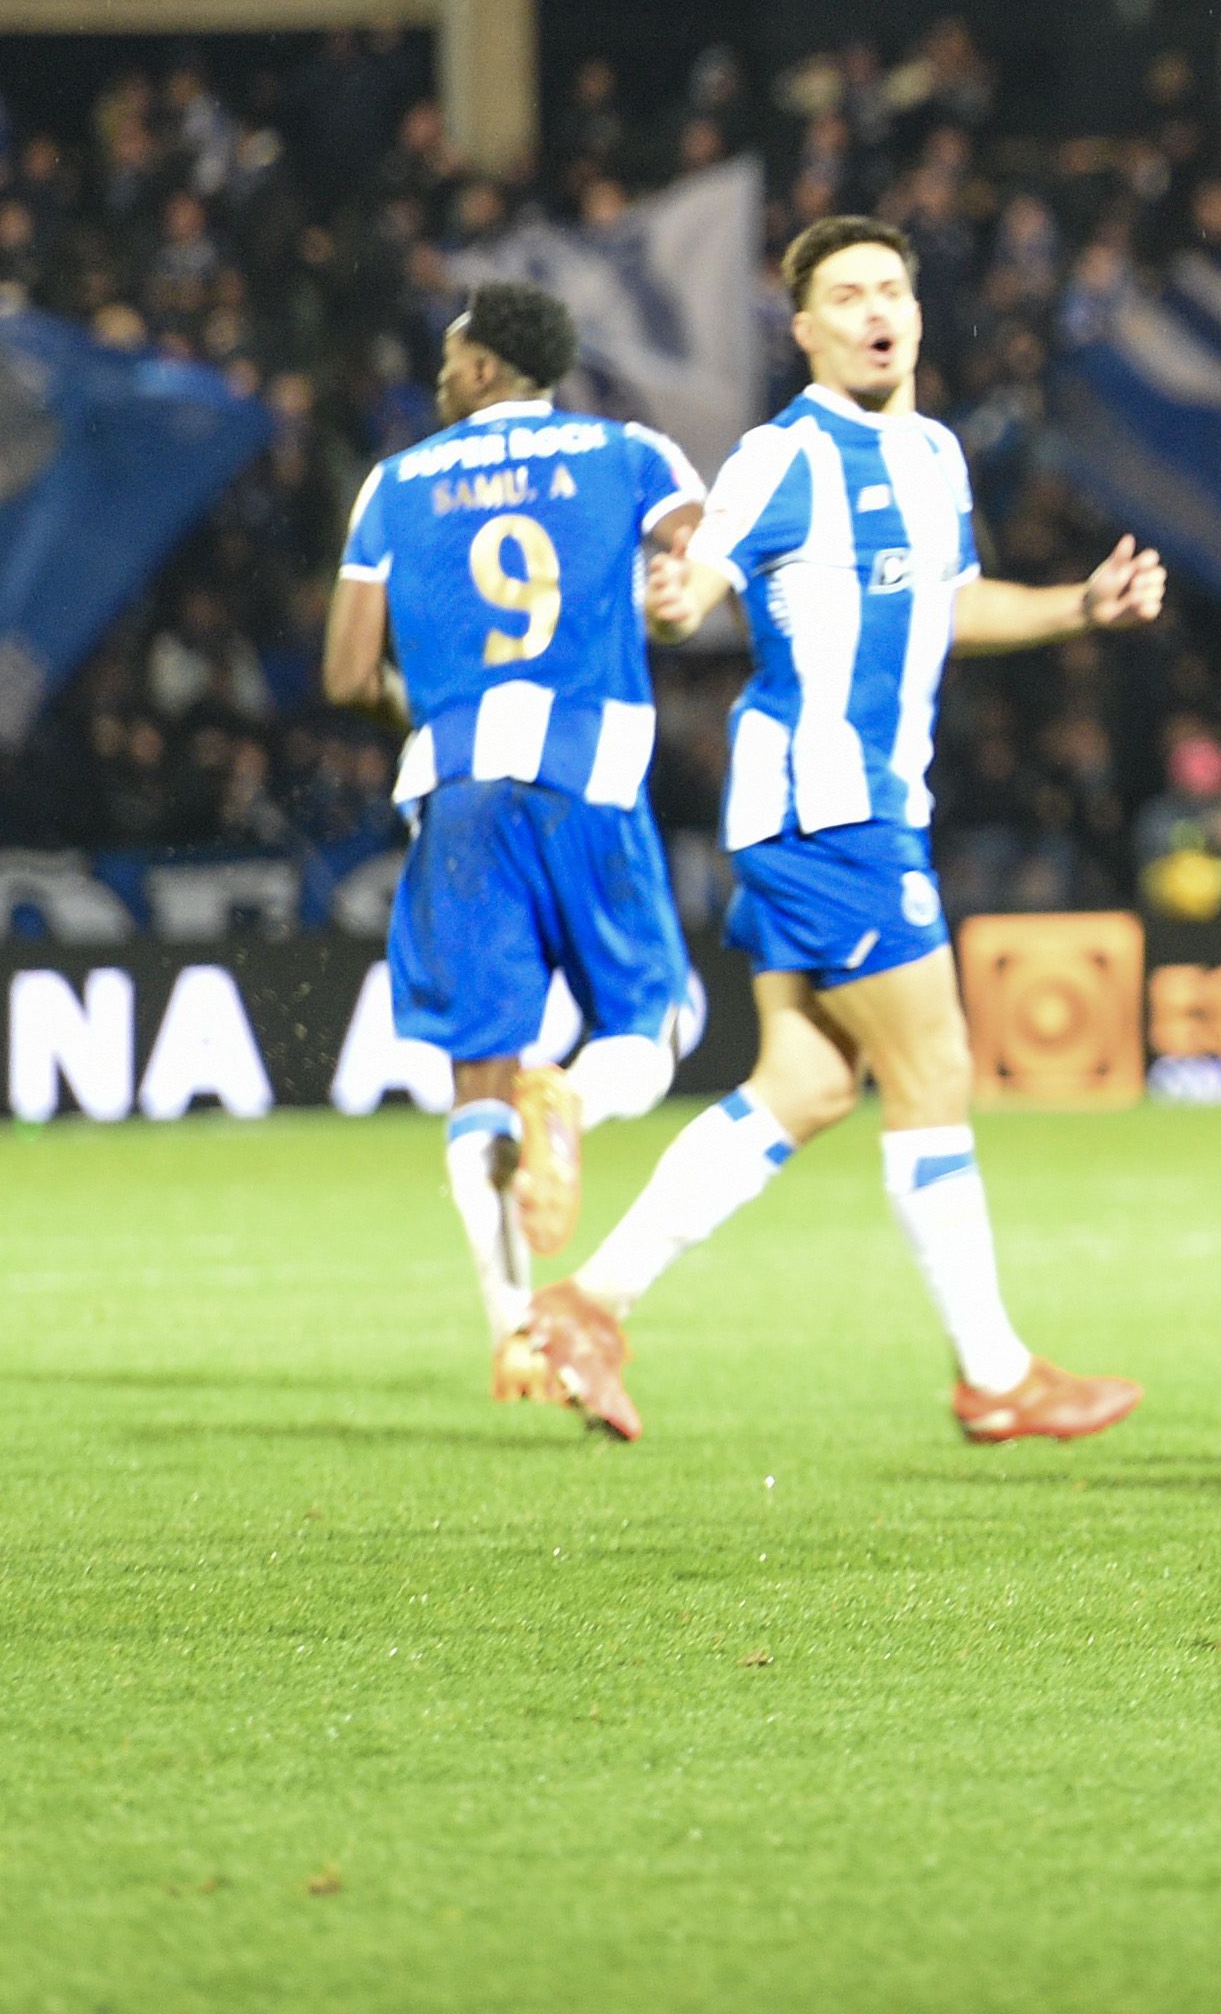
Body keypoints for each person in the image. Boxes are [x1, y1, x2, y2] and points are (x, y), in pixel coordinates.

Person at [511, 214, 1158, 1449]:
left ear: (915, 314)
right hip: (829, 805)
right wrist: (667, 591)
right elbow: (693, 582)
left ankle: (590, 1304)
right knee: (935, 1072)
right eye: (847, 292)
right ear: (804, 330)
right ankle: (995, 1373)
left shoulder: (932, 455)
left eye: (892, 289)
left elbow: (954, 605)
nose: (876, 308)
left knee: (804, 1084)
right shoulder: (778, 454)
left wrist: (1081, 603)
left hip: (834, 807)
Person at [319, 281, 704, 1382]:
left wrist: (436, 709)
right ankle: (574, 1098)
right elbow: (701, 556)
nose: (439, 377)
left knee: (475, 1074)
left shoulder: (391, 487)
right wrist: (676, 586)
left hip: (457, 788)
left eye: (450, 359)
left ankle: (512, 1338)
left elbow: (347, 672)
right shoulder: (629, 454)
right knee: (657, 1023)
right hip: (588, 773)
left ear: (486, 366)